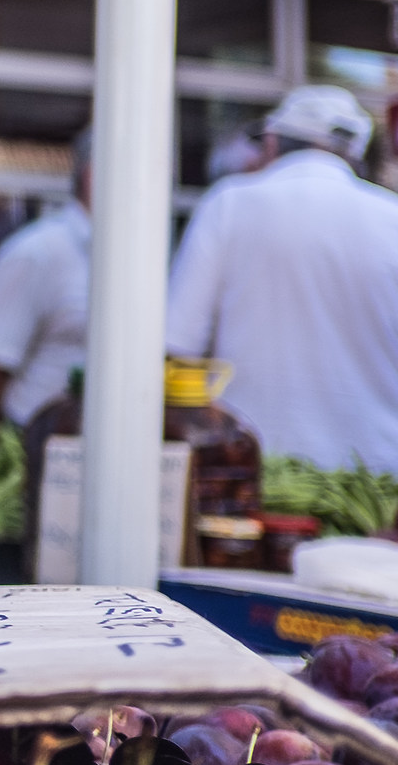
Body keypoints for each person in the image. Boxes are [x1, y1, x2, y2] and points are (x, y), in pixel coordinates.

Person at [165, 85, 398, 474]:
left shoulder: (230, 204)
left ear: (272, 142)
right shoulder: (392, 217)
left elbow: (179, 344)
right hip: (376, 480)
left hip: (252, 467)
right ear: (353, 154)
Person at [0, 130, 91, 430]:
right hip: (38, 453)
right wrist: (22, 435)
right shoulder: (39, 252)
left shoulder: (128, 260)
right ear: (93, 175)